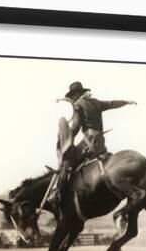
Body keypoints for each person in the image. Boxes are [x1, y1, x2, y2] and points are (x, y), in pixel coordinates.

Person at [49, 81, 137, 218]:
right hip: (100, 143)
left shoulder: (78, 105)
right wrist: (127, 102)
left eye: (73, 96)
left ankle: (56, 194)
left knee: (66, 161)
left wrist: (66, 135)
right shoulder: (96, 102)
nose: (72, 99)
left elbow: (77, 126)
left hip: (88, 143)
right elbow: (111, 103)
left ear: (77, 94)